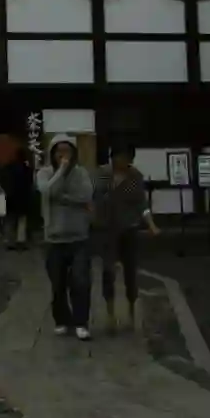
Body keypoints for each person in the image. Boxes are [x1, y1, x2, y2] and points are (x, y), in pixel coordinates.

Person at [91, 142, 160, 332]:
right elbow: (95, 197)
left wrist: (151, 225)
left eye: (127, 158)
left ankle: (131, 313)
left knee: (131, 272)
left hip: (129, 229)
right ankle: (110, 315)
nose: (123, 161)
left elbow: (141, 204)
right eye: (119, 157)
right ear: (113, 157)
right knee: (108, 272)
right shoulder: (102, 174)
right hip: (107, 229)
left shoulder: (135, 176)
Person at [35, 135, 94, 339]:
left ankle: (81, 322)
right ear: (52, 153)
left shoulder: (81, 173)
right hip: (54, 238)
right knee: (57, 283)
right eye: (58, 151)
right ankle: (62, 320)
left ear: (74, 153)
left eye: (67, 150)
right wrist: (60, 171)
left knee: (80, 281)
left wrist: (62, 198)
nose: (63, 155)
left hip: (79, 237)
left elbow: (85, 196)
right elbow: (46, 190)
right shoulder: (44, 173)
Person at [0, 144, 34, 250]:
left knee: (9, 219)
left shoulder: (8, 168)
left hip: (10, 196)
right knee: (22, 219)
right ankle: (20, 240)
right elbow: (30, 184)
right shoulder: (27, 169)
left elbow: (1, 181)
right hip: (23, 197)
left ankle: (9, 241)